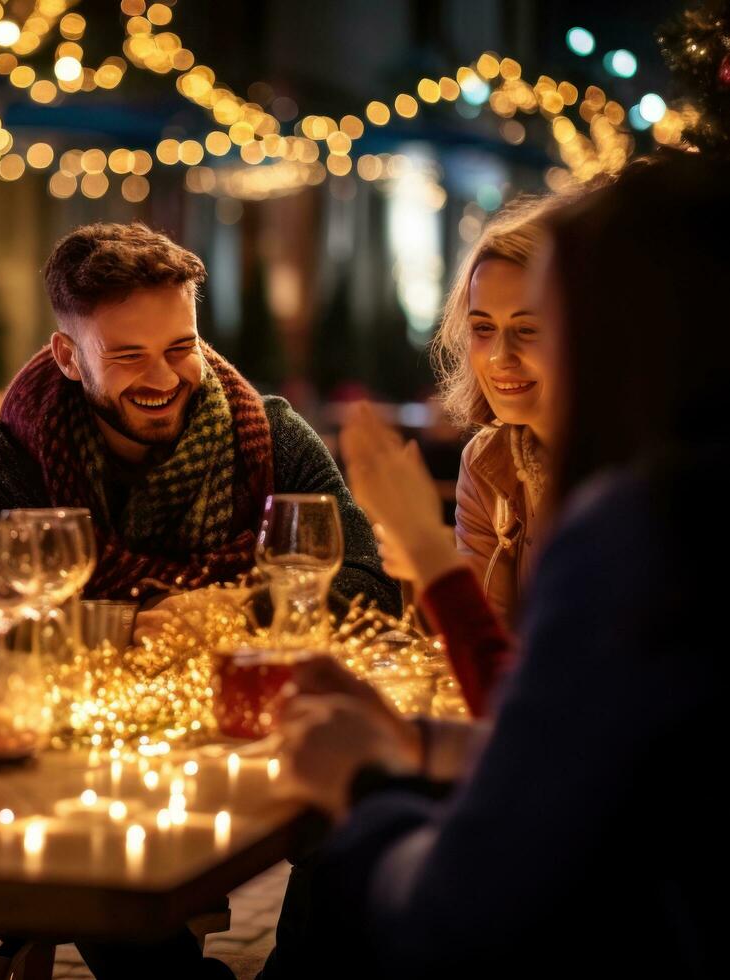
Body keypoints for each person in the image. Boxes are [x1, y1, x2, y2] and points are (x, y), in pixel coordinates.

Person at [258, 154, 723, 978]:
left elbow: (464, 904)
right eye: (484, 328)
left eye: (542, 322)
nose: (503, 357)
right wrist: (416, 737)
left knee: (338, 865)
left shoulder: (641, 528)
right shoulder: (566, 477)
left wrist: (369, 780)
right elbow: (573, 737)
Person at [0, 221, 399, 633]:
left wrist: (236, 608)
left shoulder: (273, 434)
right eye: (128, 356)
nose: (163, 379)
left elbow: (375, 591)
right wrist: (129, 624)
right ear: (69, 358)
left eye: (181, 347)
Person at [428, 195, 568, 624]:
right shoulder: (487, 461)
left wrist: (425, 555)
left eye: (527, 329)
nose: (499, 356)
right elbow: (487, 641)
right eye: (483, 329)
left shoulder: (632, 467)